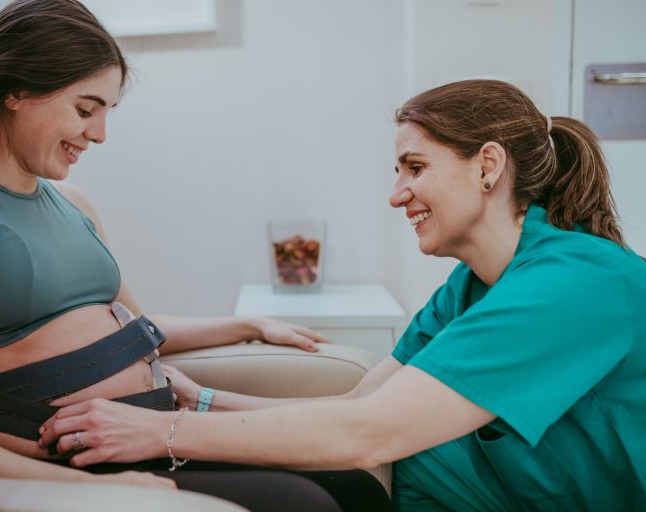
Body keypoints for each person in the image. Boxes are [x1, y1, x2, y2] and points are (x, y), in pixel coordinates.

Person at [0, 1, 393, 510]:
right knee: (303, 504)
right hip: (71, 464)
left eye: (106, 112)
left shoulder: (73, 204)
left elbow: (135, 329)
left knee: (354, 486)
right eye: (85, 109)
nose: (99, 134)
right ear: (15, 89)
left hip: (149, 433)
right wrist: (96, 490)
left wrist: (246, 324)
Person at [39, 79, 646, 511]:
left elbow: (365, 432)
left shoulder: (576, 282)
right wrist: (197, 402)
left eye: (414, 167)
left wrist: (158, 434)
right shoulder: (469, 287)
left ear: (488, 165)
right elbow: (358, 403)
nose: (397, 194)